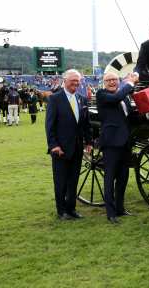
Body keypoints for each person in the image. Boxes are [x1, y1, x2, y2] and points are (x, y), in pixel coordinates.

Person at [45, 69, 92, 220]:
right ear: (64, 81)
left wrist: (89, 142)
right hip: (61, 149)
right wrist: (54, 145)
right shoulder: (55, 99)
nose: (76, 84)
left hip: (77, 148)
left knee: (73, 181)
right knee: (61, 182)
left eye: (78, 81)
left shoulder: (82, 99)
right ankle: (61, 211)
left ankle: (71, 209)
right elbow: (49, 125)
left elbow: (86, 124)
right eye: (73, 81)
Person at [96, 72, 139, 224]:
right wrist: (130, 83)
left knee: (123, 178)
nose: (112, 82)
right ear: (104, 83)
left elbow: (130, 117)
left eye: (114, 79)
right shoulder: (102, 94)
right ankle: (111, 213)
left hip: (125, 143)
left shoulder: (124, 97)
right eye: (108, 80)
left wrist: (148, 113)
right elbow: (116, 98)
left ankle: (120, 209)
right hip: (111, 143)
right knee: (110, 178)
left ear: (118, 81)